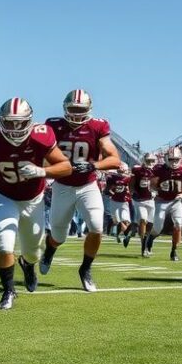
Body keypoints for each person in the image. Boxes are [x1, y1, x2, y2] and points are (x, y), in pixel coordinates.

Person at [0, 97, 72, 310]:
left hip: (33, 200)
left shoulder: (40, 138)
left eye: (20, 123)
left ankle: (28, 264)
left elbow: (66, 166)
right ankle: (8, 290)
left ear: (30, 121)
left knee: (33, 251)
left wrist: (42, 171)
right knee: (5, 243)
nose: (15, 129)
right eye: (9, 122)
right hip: (3, 196)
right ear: (0, 121)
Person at [40, 89, 121, 291]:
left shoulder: (98, 126)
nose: (76, 113)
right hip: (62, 186)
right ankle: (49, 251)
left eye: (80, 109)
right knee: (59, 236)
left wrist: (94, 165)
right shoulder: (53, 125)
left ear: (88, 109)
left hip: (88, 185)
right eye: (73, 108)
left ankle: (85, 269)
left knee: (96, 227)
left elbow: (114, 159)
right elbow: (41, 154)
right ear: (65, 108)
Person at [147, 147, 182, 261]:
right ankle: (151, 238)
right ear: (167, 159)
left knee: (178, 224)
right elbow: (152, 184)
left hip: (175, 201)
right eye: (171, 159)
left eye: (176, 159)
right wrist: (154, 190)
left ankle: (174, 251)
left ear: (180, 159)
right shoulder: (159, 169)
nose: (174, 162)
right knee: (158, 228)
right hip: (161, 200)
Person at [130, 152, 157, 257]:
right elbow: (131, 184)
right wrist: (132, 192)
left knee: (150, 224)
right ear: (144, 161)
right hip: (139, 200)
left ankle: (146, 243)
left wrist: (157, 191)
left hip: (151, 200)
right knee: (143, 219)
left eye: (152, 161)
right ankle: (143, 247)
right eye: (148, 160)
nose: (150, 163)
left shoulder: (157, 171)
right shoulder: (137, 170)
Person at [105, 163, 132, 245]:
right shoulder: (112, 178)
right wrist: (112, 193)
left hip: (125, 202)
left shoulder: (129, 179)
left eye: (123, 170)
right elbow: (107, 190)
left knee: (126, 220)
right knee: (118, 221)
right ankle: (125, 235)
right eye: (120, 171)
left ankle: (121, 235)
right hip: (115, 202)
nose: (121, 172)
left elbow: (133, 188)